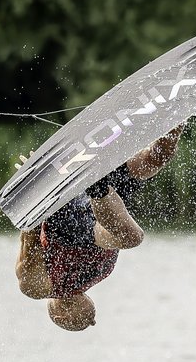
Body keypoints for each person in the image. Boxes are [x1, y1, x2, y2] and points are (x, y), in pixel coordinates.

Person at [15, 124, 184, 331]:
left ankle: (97, 183)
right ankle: (177, 119)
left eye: (84, 323)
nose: (92, 321)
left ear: (59, 315)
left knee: (131, 238)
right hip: (105, 210)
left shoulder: (44, 287)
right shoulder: (100, 275)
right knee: (154, 159)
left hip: (67, 223)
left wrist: (33, 194)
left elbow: (28, 247)